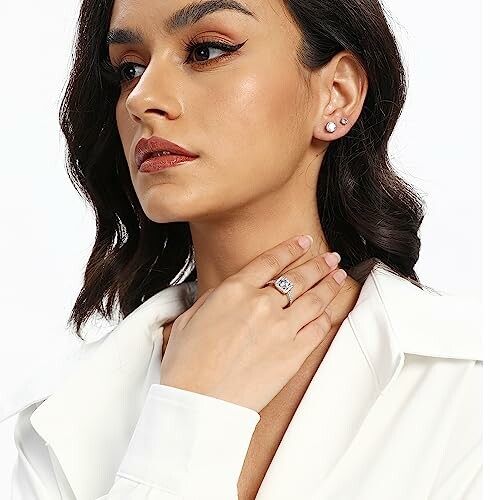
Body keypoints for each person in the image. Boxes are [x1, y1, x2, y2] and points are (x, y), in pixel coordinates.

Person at [1, 0, 481, 499]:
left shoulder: (471, 382)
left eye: (206, 50)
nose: (142, 98)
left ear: (336, 95)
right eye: (130, 68)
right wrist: (194, 407)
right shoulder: (60, 419)